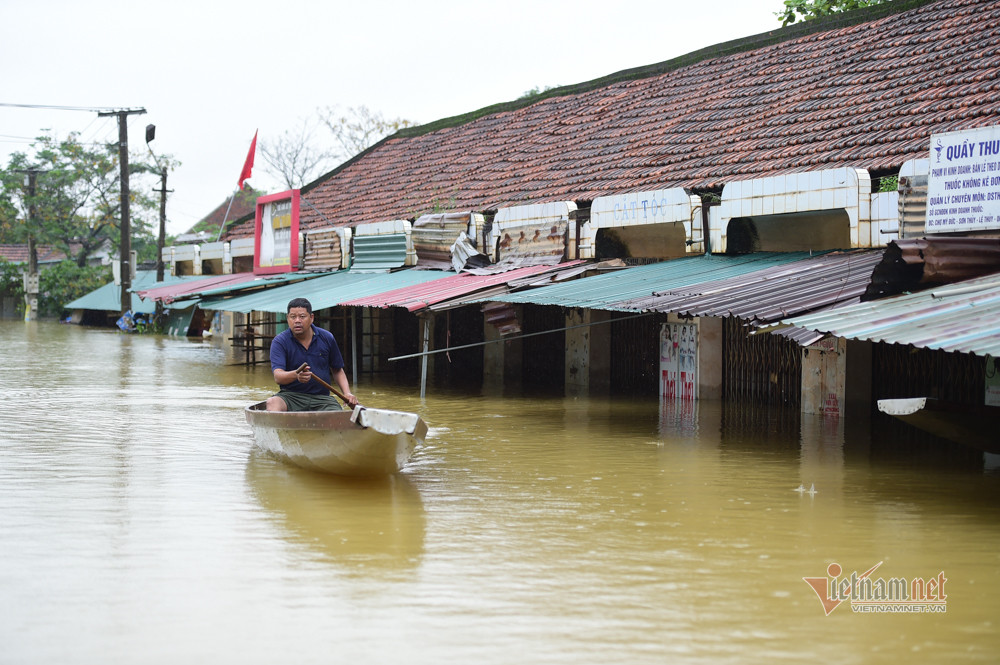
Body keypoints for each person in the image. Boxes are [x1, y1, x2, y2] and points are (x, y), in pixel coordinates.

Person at [265, 297, 359, 412]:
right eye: (293, 317)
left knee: (336, 415)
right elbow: (278, 376)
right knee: (272, 402)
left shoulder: (327, 338)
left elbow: (337, 370)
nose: (297, 321)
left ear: (311, 318)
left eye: (302, 316)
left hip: (322, 399)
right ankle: (279, 429)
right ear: (287, 318)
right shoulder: (280, 342)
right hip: (291, 397)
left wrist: (347, 393)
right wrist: (296, 375)